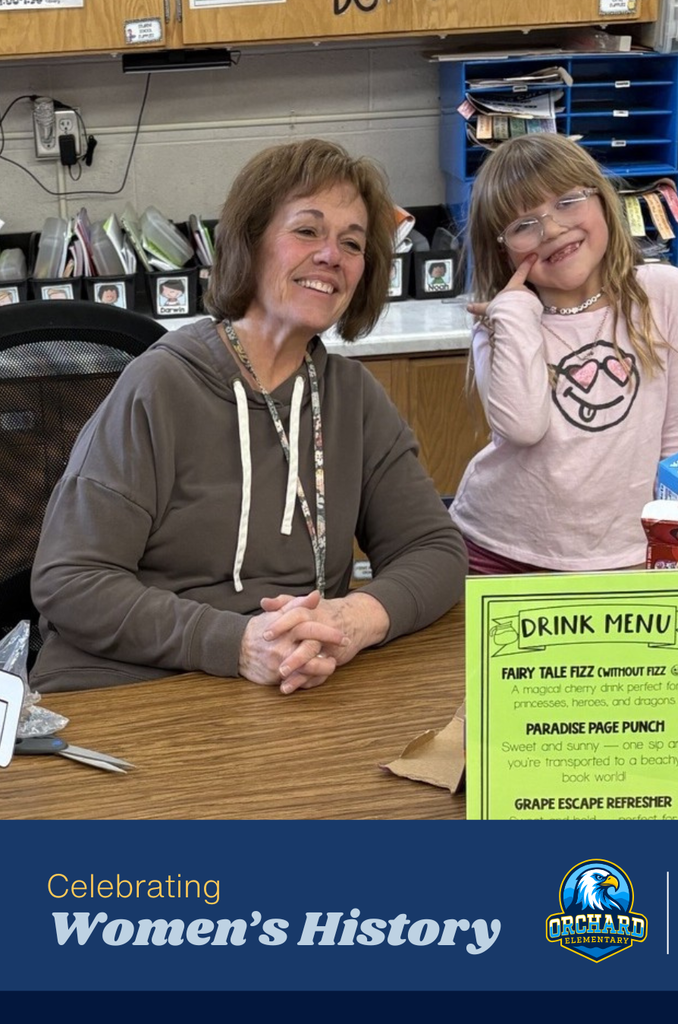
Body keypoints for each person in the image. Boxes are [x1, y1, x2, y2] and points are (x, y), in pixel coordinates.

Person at [29, 138, 467, 693]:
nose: (331, 255)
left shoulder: (351, 397)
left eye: (352, 243)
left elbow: (435, 551)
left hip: (292, 685)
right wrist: (235, 644)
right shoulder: (160, 386)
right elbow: (71, 582)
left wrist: (350, 620)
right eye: (307, 230)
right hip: (138, 684)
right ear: (251, 242)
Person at [448, 133, 678, 574]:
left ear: (603, 200)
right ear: (503, 248)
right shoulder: (502, 321)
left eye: (568, 201)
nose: (551, 229)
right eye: (523, 224)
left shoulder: (664, 293)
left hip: (632, 551)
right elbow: (522, 428)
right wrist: (513, 313)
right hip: (500, 549)